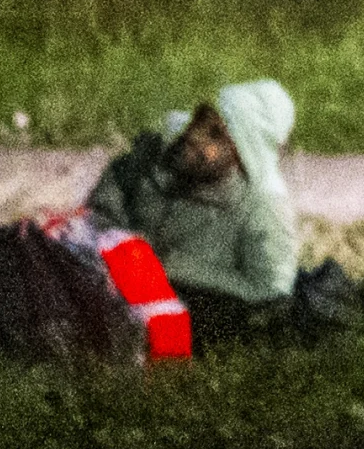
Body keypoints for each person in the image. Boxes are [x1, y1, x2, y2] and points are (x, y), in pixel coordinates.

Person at [88, 81, 302, 329]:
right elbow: (106, 203)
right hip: (106, 277)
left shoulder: (263, 209)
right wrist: (117, 243)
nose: (194, 134)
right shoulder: (159, 153)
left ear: (242, 154)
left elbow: (271, 295)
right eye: (200, 119)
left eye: (215, 134)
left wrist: (174, 266)